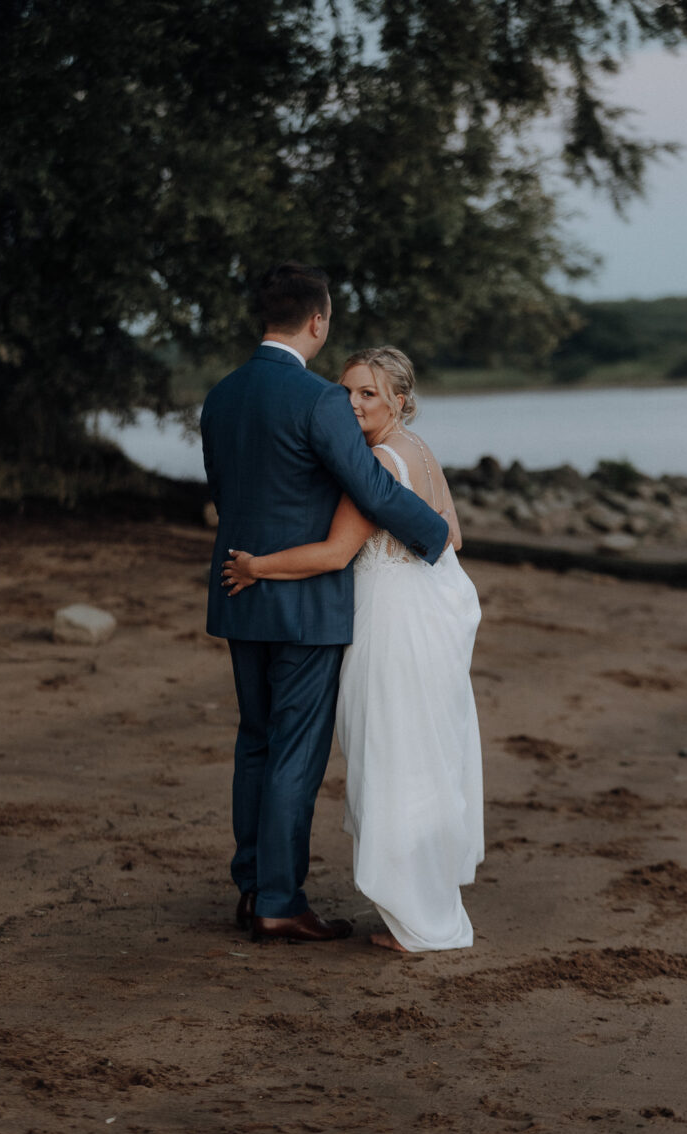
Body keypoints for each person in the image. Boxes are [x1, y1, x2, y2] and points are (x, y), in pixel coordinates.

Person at [201, 264, 448, 944]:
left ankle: (252, 888)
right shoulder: (319, 402)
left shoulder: (221, 396)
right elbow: (370, 487)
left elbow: (226, 491)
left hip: (239, 589)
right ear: (319, 321)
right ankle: (280, 900)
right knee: (294, 753)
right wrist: (436, 537)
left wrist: (257, 563)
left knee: (255, 741)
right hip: (306, 603)